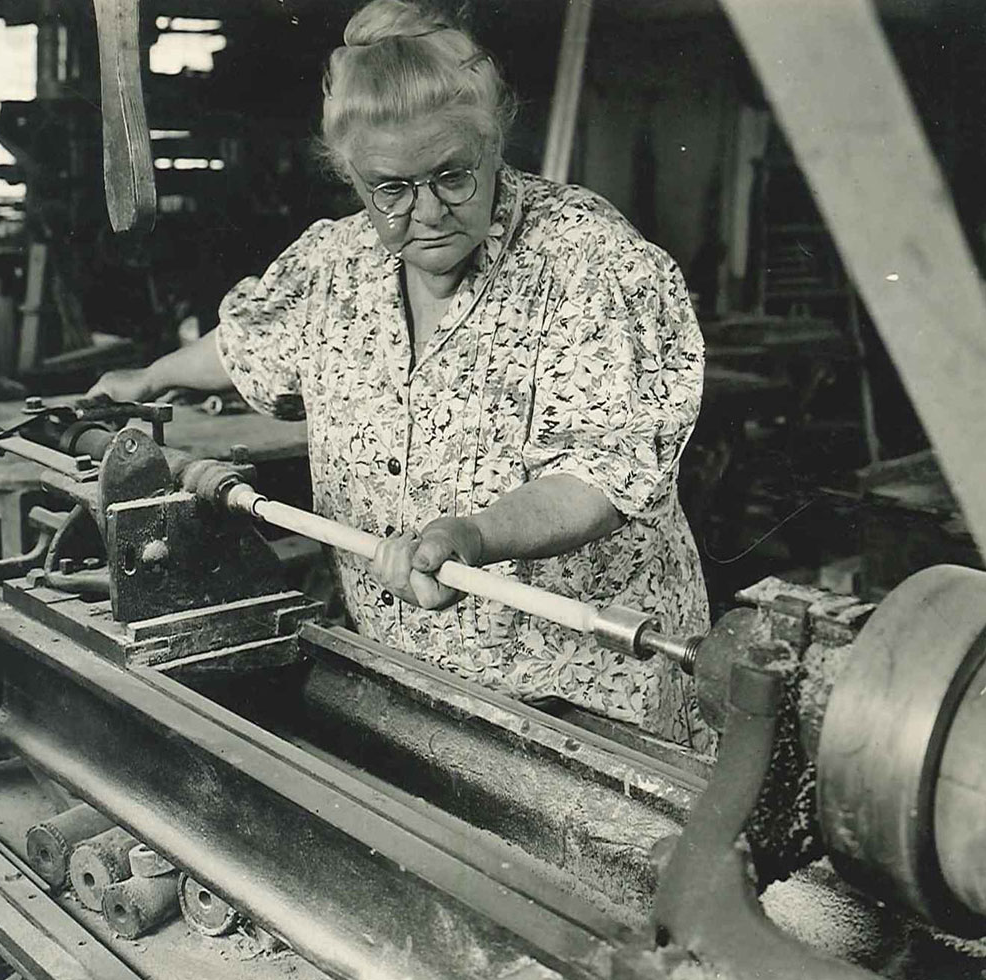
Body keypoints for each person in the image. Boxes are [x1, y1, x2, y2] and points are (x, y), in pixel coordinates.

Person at [88, 0, 713, 752]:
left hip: (584, 691)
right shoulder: (336, 263)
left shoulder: (595, 266)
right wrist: (149, 377)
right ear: (350, 176)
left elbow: (600, 477)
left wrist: (472, 535)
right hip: (403, 677)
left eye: (453, 175)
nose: (428, 212)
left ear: (494, 140)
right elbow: (251, 342)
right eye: (391, 188)